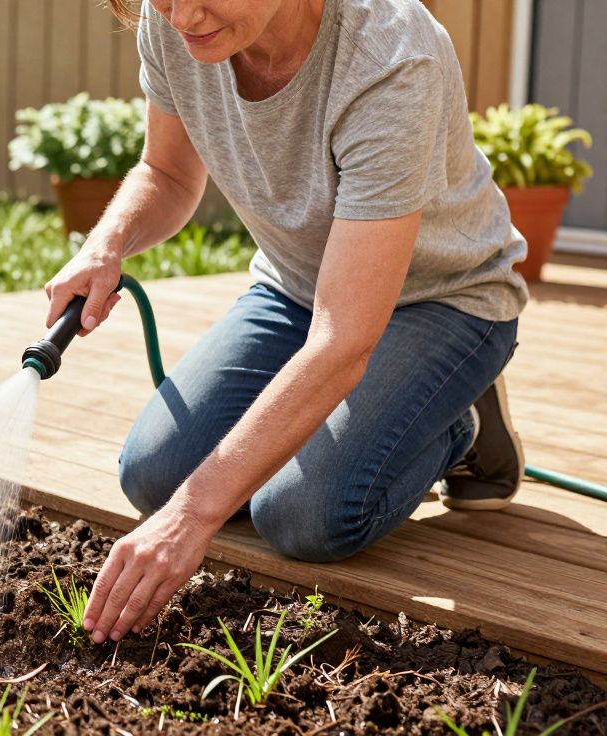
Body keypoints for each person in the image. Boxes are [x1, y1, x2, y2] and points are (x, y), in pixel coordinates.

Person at [44, 0, 528, 646]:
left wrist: (194, 517)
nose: (182, 16)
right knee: (154, 476)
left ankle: (456, 421)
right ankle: (392, 407)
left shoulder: (389, 55)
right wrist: (107, 245)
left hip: (444, 299)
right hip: (298, 290)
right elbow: (165, 172)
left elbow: (343, 340)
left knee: (306, 516)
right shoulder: (174, 22)